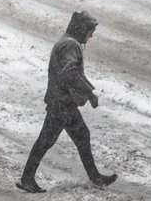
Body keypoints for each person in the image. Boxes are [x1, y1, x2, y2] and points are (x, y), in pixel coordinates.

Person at [17, 11, 117, 193]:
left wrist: (88, 91)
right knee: (46, 141)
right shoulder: (70, 46)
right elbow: (70, 72)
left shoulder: (69, 42)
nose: (91, 35)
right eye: (89, 31)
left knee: (81, 135)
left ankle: (95, 177)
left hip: (62, 102)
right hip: (61, 104)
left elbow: (71, 73)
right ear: (81, 29)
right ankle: (27, 179)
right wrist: (89, 92)